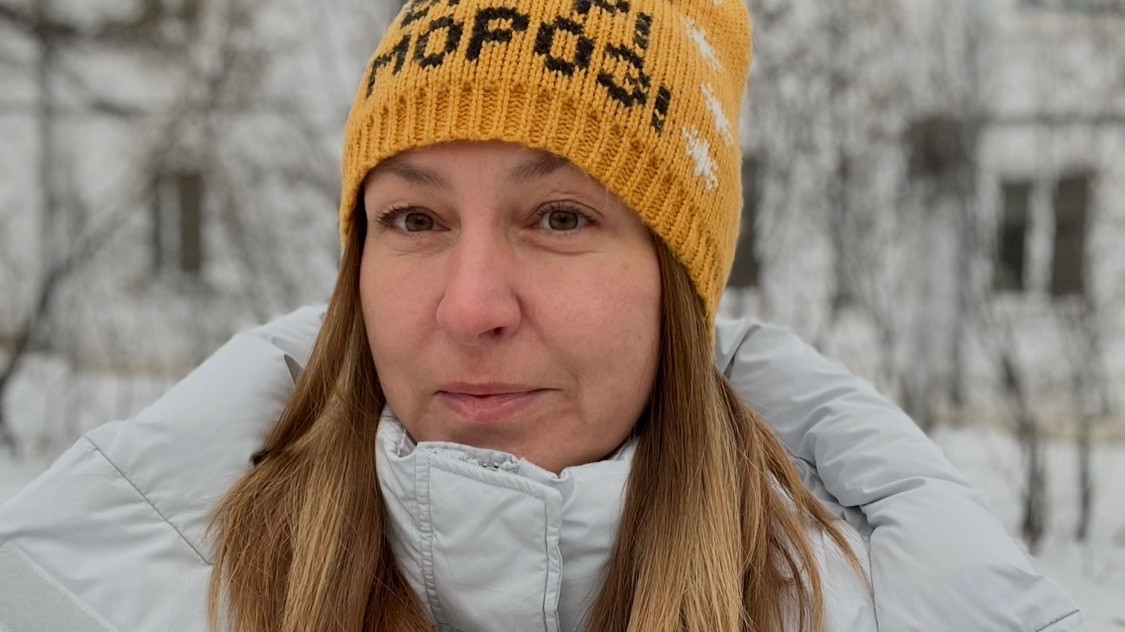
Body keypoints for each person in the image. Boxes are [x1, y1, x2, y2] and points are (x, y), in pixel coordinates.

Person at [0, 0, 1084, 630]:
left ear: (678, 281)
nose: (472, 305)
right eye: (414, 218)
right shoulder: (146, 593)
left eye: (561, 215)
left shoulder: (877, 607)